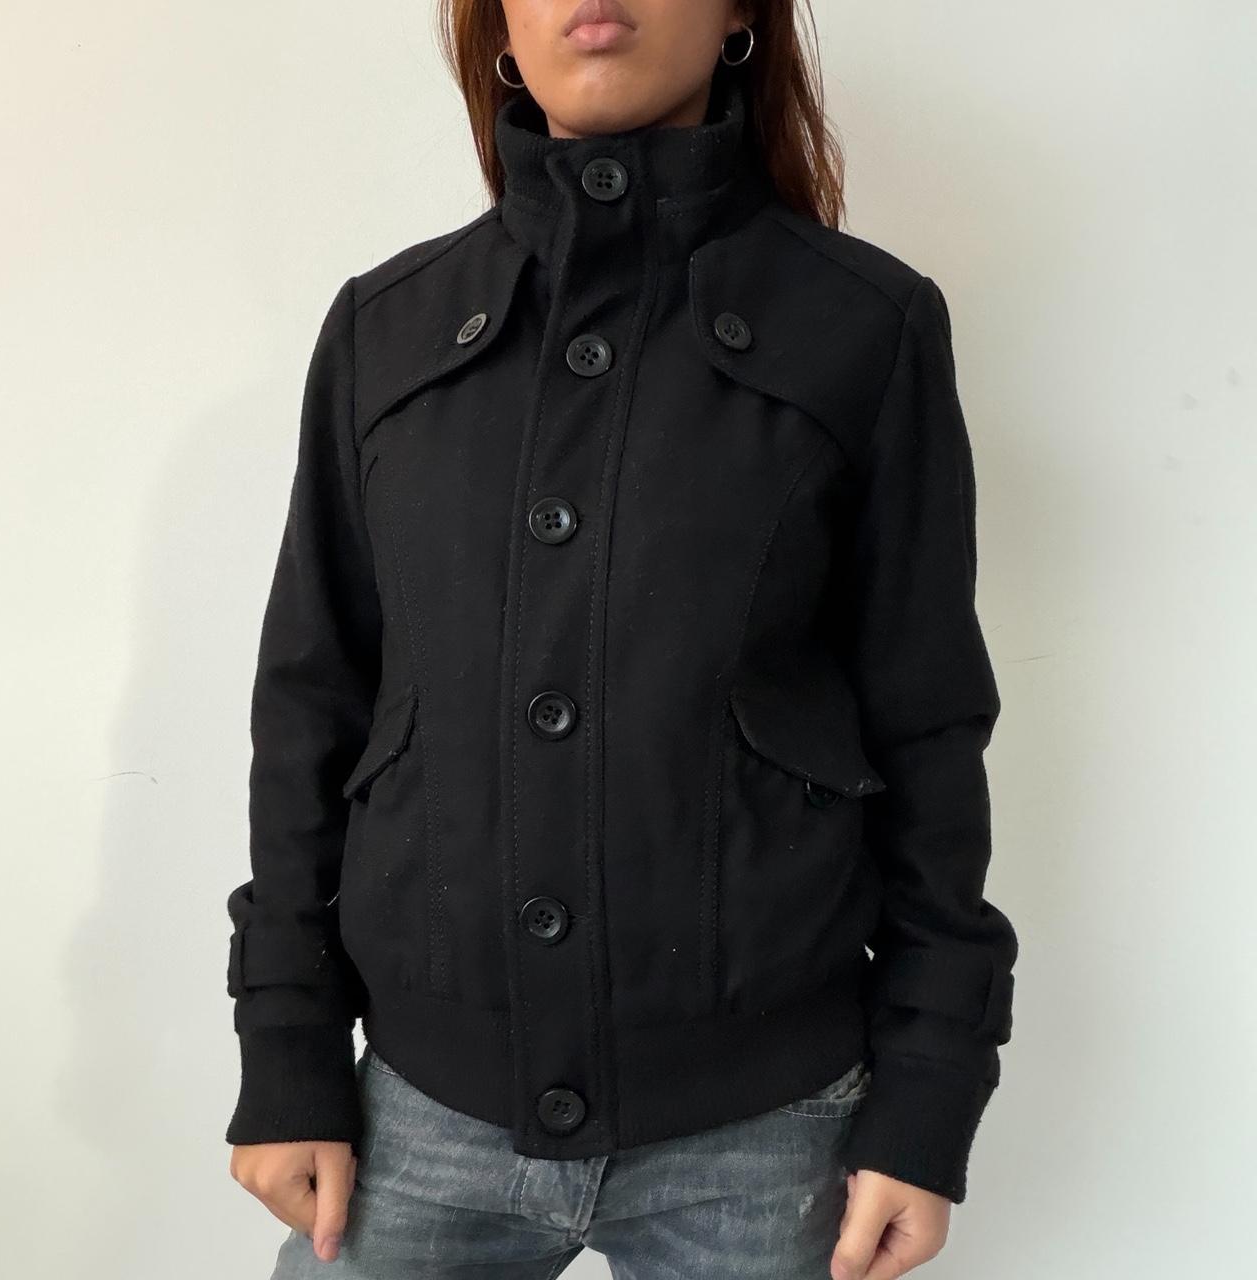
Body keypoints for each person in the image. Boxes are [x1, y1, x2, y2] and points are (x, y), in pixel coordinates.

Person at [223, 2, 1019, 1277]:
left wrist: (927, 1093)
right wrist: (285, 1044)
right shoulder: (385, 328)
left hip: (767, 1131)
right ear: (496, 25)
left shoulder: (864, 326)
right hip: (416, 1117)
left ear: (739, 13)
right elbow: (311, 702)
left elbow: (925, 722)